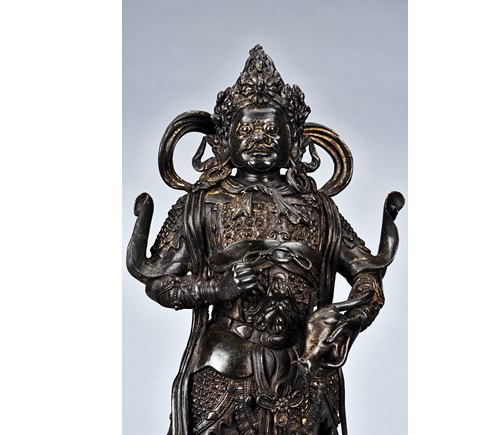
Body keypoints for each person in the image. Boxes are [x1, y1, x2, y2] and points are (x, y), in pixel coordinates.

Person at [127, 45, 403, 435]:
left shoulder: (320, 209)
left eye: (272, 129)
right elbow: (160, 283)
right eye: (247, 129)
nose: (260, 138)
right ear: (224, 140)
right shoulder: (199, 206)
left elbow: (368, 277)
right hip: (224, 372)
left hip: (306, 373)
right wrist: (215, 288)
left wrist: (344, 319)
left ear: (296, 141)